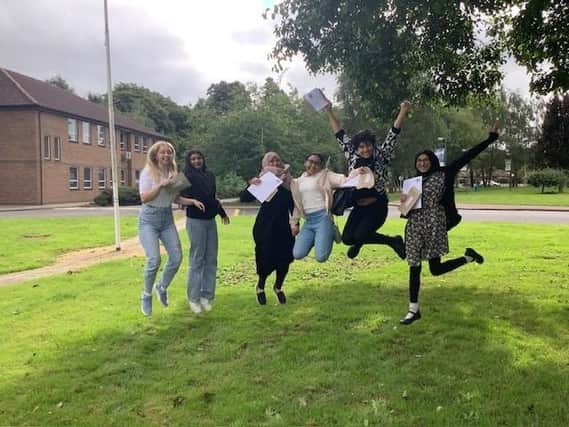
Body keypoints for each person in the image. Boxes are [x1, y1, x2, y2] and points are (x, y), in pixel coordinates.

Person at [399, 122, 500, 325]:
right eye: (419, 160)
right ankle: (413, 310)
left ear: (432, 161)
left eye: (426, 159)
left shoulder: (445, 173)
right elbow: (407, 209)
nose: (422, 163)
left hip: (435, 224)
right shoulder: (413, 182)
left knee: (435, 270)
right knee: (414, 266)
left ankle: (468, 258)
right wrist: (404, 204)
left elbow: (468, 155)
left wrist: (491, 138)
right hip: (414, 227)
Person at [324, 100, 411, 259]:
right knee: (347, 239)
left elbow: (394, 133)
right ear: (356, 149)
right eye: (361, 147)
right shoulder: (352, 156)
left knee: (359, 236)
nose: (365, 150)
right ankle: (392, 241)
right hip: (358, 206)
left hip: (377, 206)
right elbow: (339, 134)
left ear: (372, 144)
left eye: (368, 145)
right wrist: (329, 111)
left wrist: (403, 110)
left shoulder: (381, 155)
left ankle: (363, 242)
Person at [290, 152, 374, 262]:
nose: (313, 165)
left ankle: (328, 231)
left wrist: (357, 172)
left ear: (321, 166)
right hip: (309, 221)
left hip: (323, 218)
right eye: (310, 161)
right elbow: (297, 205)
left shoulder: (326, 176)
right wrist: (294, 223)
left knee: (321, 257)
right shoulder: (298, 182)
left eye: (317, 163)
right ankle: (321, 236)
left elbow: (344, 180)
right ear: (305, 162)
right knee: (297, 254)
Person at [179, 149, 230, 315]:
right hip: (196, 221)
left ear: (203, 159)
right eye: (193, 159)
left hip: (210, 221)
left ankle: (206, 296)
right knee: (197, 259)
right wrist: (192, 201)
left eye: (199, 158)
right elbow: (175, 197)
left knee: (211, 259)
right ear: (189, 161)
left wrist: (221, 212)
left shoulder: (210, 175)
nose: (196, 161)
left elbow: (212, 197)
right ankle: (193, 298)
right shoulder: (185, 175)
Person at [240, 152, 294, 305]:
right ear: (265, 163)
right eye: (272, 160)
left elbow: (294, 205)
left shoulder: (288, 181)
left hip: (284, 225)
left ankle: (278, 287)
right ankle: (260, 286)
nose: (276, 162)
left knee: (285, 258)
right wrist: (252, 183)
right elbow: (244, 198)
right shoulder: (263, 180)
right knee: (265, 256)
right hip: (265, 225)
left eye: (278, 159)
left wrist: (295, 223)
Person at [138, 141, 184, 316]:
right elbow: (144, 198)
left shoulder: (173, 173)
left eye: (169, 152)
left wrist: (191, 202)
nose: (166, 155)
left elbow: (175, 198)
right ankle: (146, 295)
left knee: (177, 257)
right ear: (155, 155)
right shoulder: (148, 173)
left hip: (166, 218)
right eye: (162, 153)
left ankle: (162, 286)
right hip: (148, 219)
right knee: (154, 260)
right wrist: (160, 185)